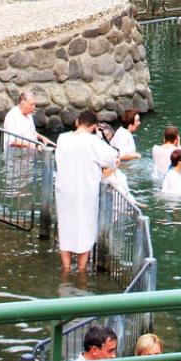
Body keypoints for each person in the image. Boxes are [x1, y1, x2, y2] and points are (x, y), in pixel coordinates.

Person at [55, 111, 119, 273]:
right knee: (86, 228)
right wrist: (99, 137)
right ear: (93, 127)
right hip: (85, 192)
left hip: (64, 190)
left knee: (66, 227)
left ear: (77, 122)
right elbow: (112, 157)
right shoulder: (93, 142)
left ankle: (66, 268)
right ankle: (82, 270)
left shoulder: (63, 138)